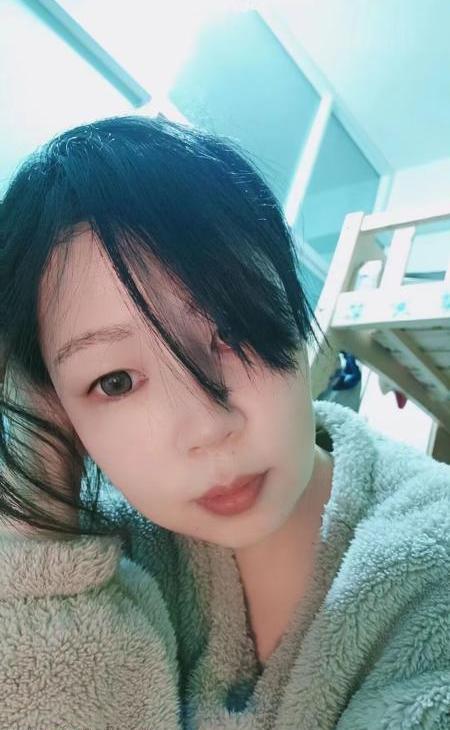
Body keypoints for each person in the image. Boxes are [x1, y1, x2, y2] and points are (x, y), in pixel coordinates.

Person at [0, 115, 448, 730]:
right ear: (52, 404)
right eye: (115, 382)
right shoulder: (100, 544)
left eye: (231, 332)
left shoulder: (432, 561)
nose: (207, 427)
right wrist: (32, 519)